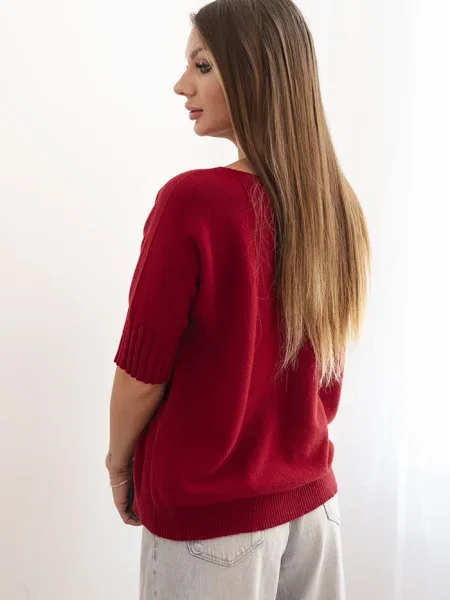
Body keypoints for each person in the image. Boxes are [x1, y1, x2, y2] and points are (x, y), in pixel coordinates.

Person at [105, 0, 370, 598]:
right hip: (314, 513)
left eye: (202, 65)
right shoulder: (337, 205)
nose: (182, 85)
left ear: (254, 73)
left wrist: (119, 464)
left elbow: (142, 375)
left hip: (212, 523)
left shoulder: (193, 203)